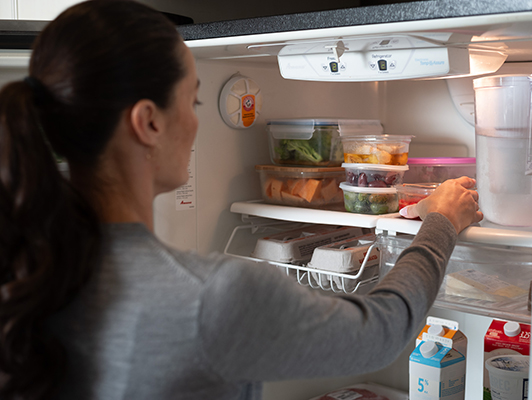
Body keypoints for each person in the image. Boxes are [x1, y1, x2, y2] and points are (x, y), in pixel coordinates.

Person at [0, 1, 482, 399]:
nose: (194, 124)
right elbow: (383, 331)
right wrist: (438, 220)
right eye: (192, 102)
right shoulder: (214, 297)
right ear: (147, 122)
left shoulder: (23, 271)